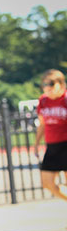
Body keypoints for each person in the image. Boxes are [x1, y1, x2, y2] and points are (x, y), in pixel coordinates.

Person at [35, 69, 67, 217]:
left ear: (61, 84)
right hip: (52, 145)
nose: (47, 87)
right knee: (47, 183)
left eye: (51, 83)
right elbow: (42, 125)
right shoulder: (43, 101)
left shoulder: (65, 99)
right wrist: (36, 144)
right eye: (44, 84)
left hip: (66, 144)